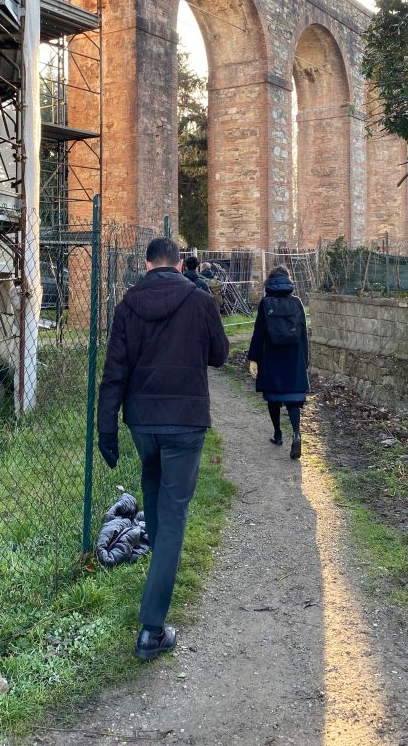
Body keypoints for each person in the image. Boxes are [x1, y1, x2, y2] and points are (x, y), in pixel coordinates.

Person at [98, 236, 229, 660]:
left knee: (154, 496)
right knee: (172, 518)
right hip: (186, 422)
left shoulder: (127, 305)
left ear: (148, 265)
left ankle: (156, 569)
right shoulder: (199, 299)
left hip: (142, 424)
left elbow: (114, 374)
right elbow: (220, 355)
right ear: (177, 264)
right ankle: (151, 630)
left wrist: (107, 431)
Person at [246, 264, 309, 460]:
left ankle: (277, 434)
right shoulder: (297, 302)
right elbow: (304, 335)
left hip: (271, 356)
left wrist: (253, 358)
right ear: (288, 281)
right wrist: (305, 360)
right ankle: (297, 434)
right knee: (293, 400)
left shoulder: (266, 303)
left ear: (270, 282)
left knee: (273, 397)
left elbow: (259, 333)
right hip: (293, 357)